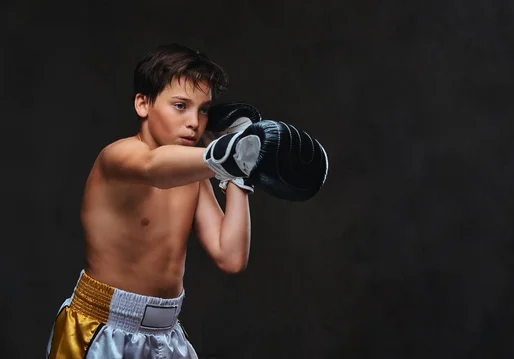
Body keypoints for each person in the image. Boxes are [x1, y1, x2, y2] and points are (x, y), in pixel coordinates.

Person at [45, 43, 328, 359]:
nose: (194, 122)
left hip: (166, 335)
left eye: (203, 109)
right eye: (180, 106)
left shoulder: (195, 175)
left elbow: (231, 256)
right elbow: (155, 168)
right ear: (143, 104)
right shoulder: (118, 158)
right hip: (100, 329)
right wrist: (225, 154)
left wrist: (238, 175)